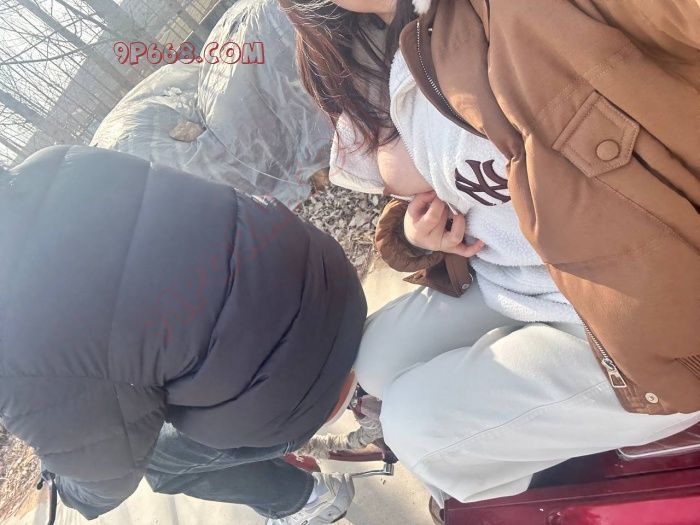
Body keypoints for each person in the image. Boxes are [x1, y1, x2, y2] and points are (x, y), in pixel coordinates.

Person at [282, 0, 700, 506]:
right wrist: (414, 235)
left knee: (420, 430)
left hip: (636, 308)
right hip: (514, 277)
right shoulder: (359, 44)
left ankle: (502, 493)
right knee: (374, 359)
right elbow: (443, 184)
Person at [0, 145, 365, 524]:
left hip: (298, 384)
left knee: (157, 461)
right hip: (331, 276)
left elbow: (105, 476)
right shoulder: (58, 161)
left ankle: (304, 499)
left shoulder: (10, 347)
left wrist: (67, 487)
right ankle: (357, 404)